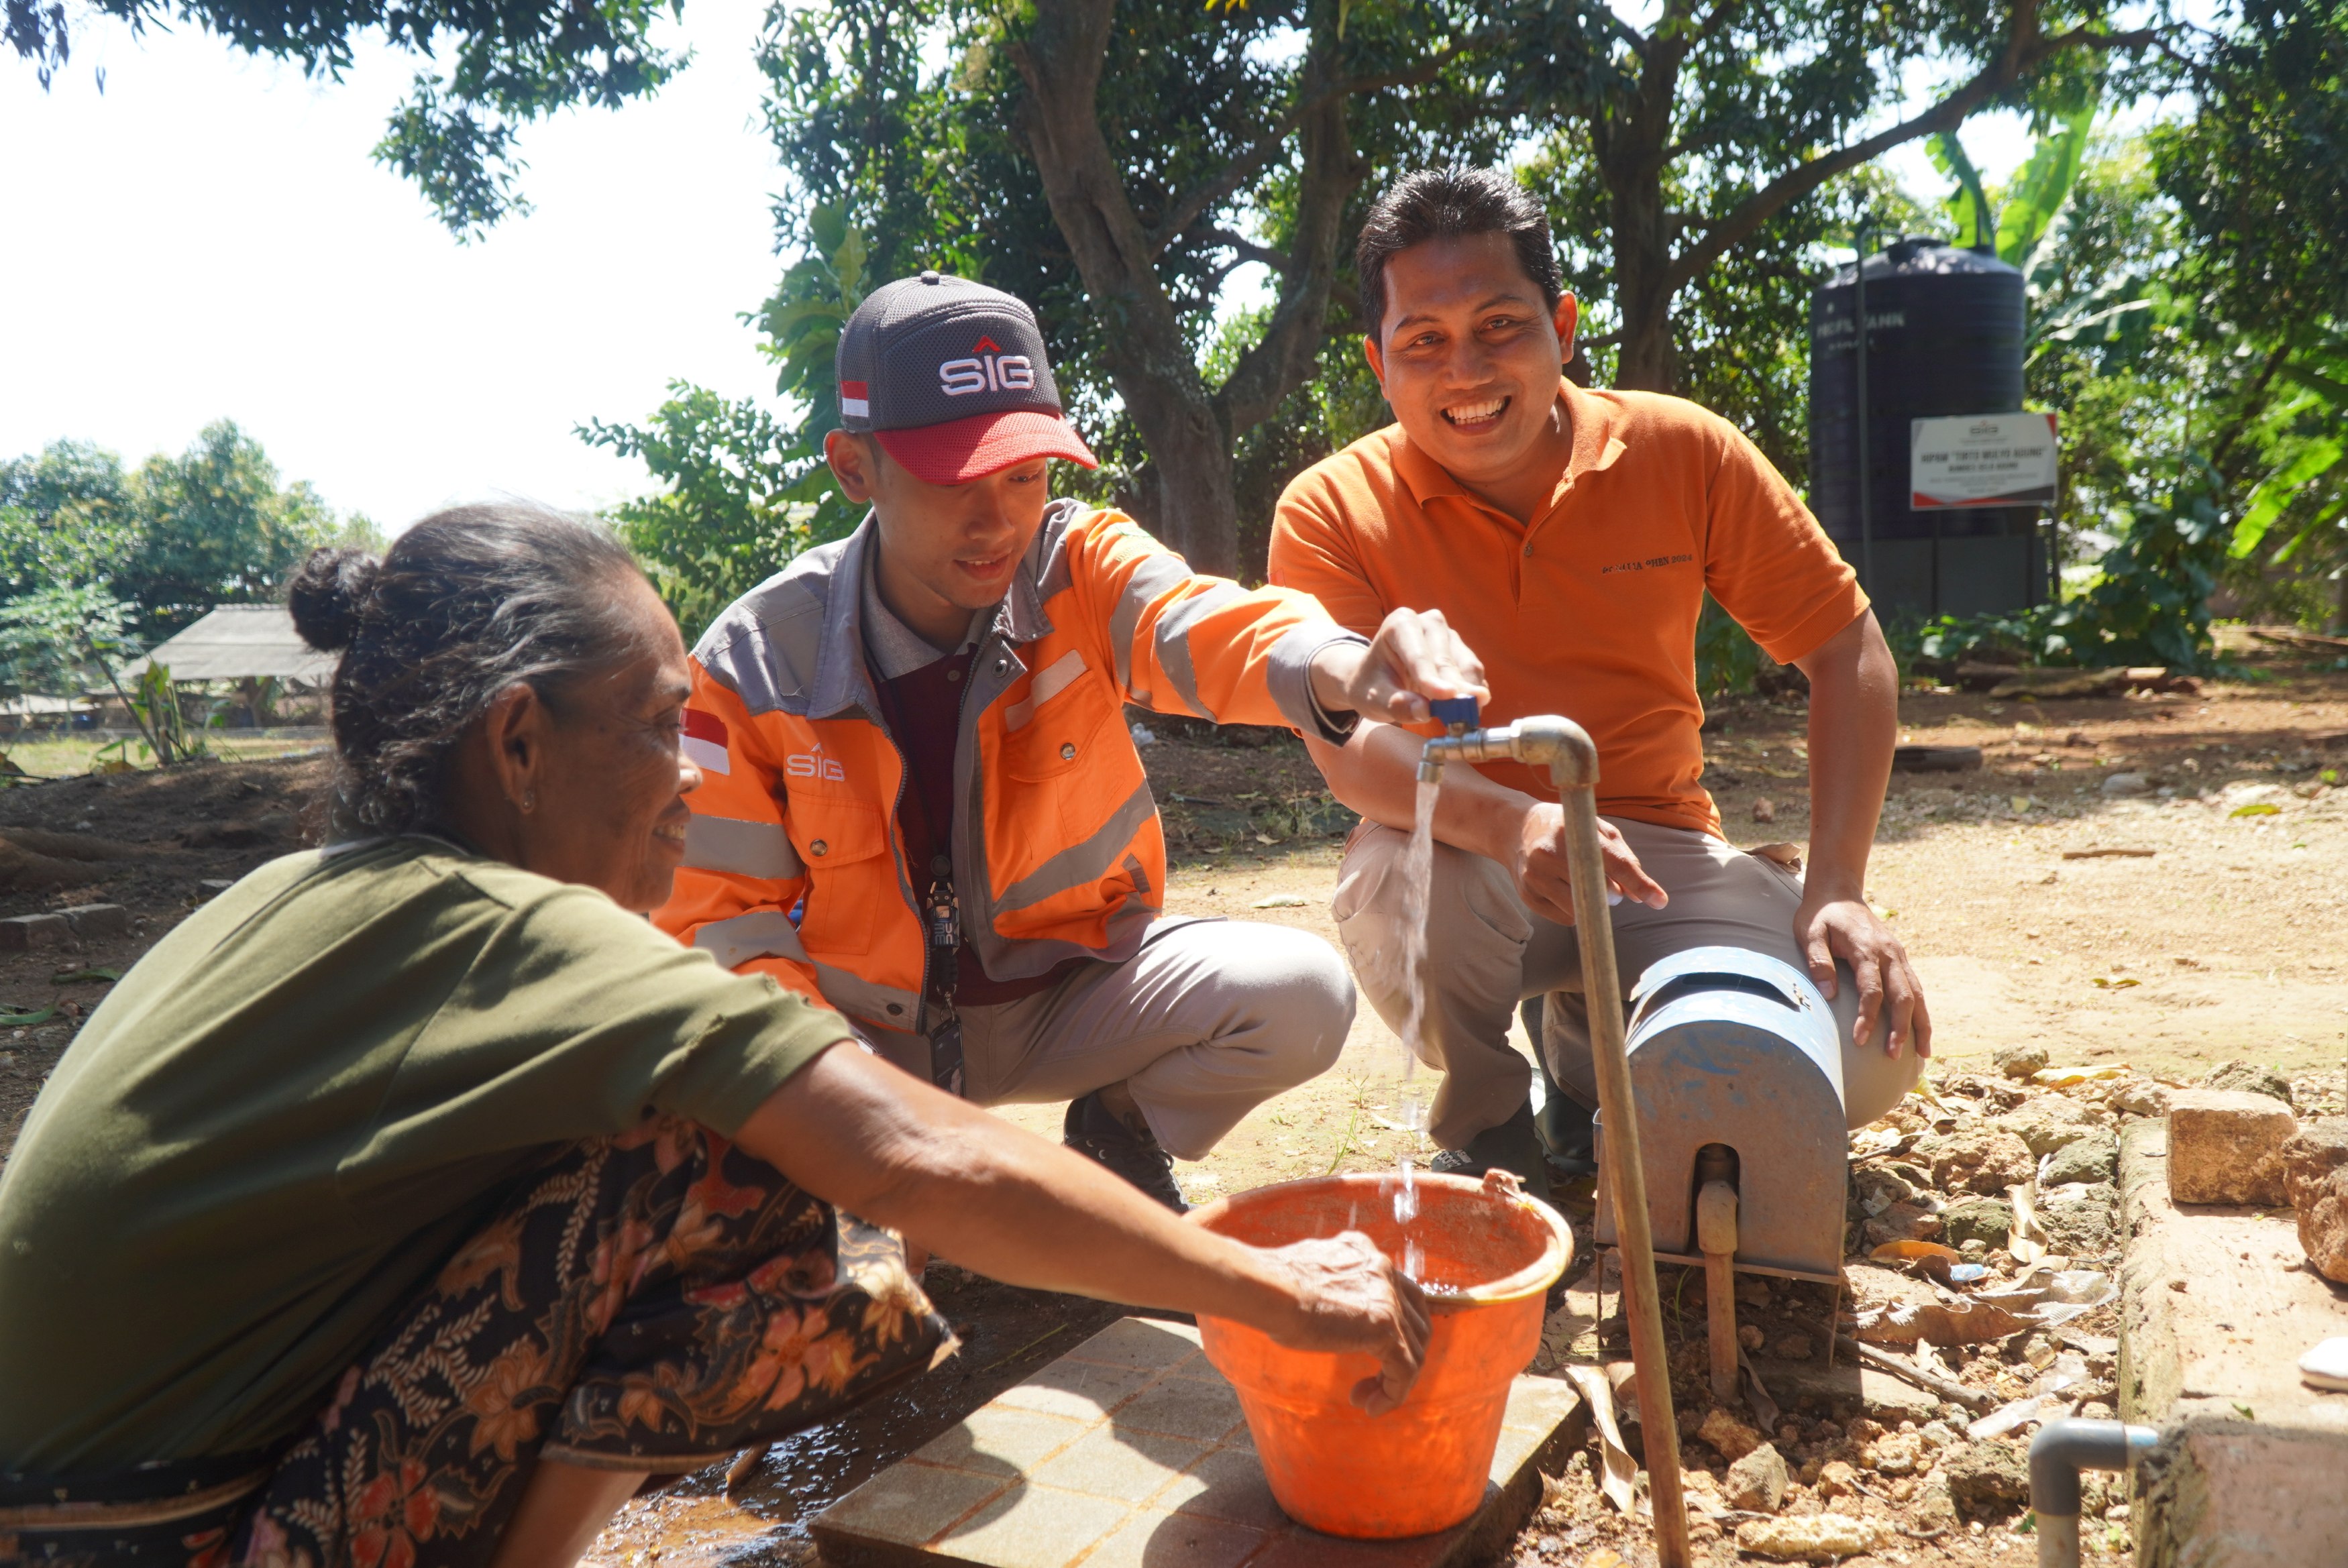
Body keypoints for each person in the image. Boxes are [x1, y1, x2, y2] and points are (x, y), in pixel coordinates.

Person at [0, 506, 1430, 1568]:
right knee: (747, 1154)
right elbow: (904, 1151)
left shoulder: (295, 898)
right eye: (655, 725)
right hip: (161, 1535)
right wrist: (1261, 1287)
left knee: (681, 1128)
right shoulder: (507, 932)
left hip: (97, 1501)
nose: (690, 774)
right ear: (516, 743)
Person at [653, 270, 1485, 1212]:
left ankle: (1116, 1129)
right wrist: (865, 1121)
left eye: (1024, 476)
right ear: (855, 468)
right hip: (864, 1033)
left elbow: (1201, 619)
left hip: (1069, 997)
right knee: (736, 1150)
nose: (997, 519)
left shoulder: (1074, 563)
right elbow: (726, 932)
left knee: (1301, 994)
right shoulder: (752, 667)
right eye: (951, 479)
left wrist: (1340, 662)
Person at [1267, 168, 1931, 1190]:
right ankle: (1491, 1127)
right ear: (1379, 363)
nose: (1467, 369)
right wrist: (1509, 825)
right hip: (1460, 847)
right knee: (1405, 883)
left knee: (1865, 1050)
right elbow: (1350, 753)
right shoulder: (1328, 509)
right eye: (1424, 341)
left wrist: (1836, 889)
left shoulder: (1681, 450)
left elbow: (1848, 650)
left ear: (1563, 325)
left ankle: (1589, 1068)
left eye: (1499, 324)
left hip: (1660, 853)